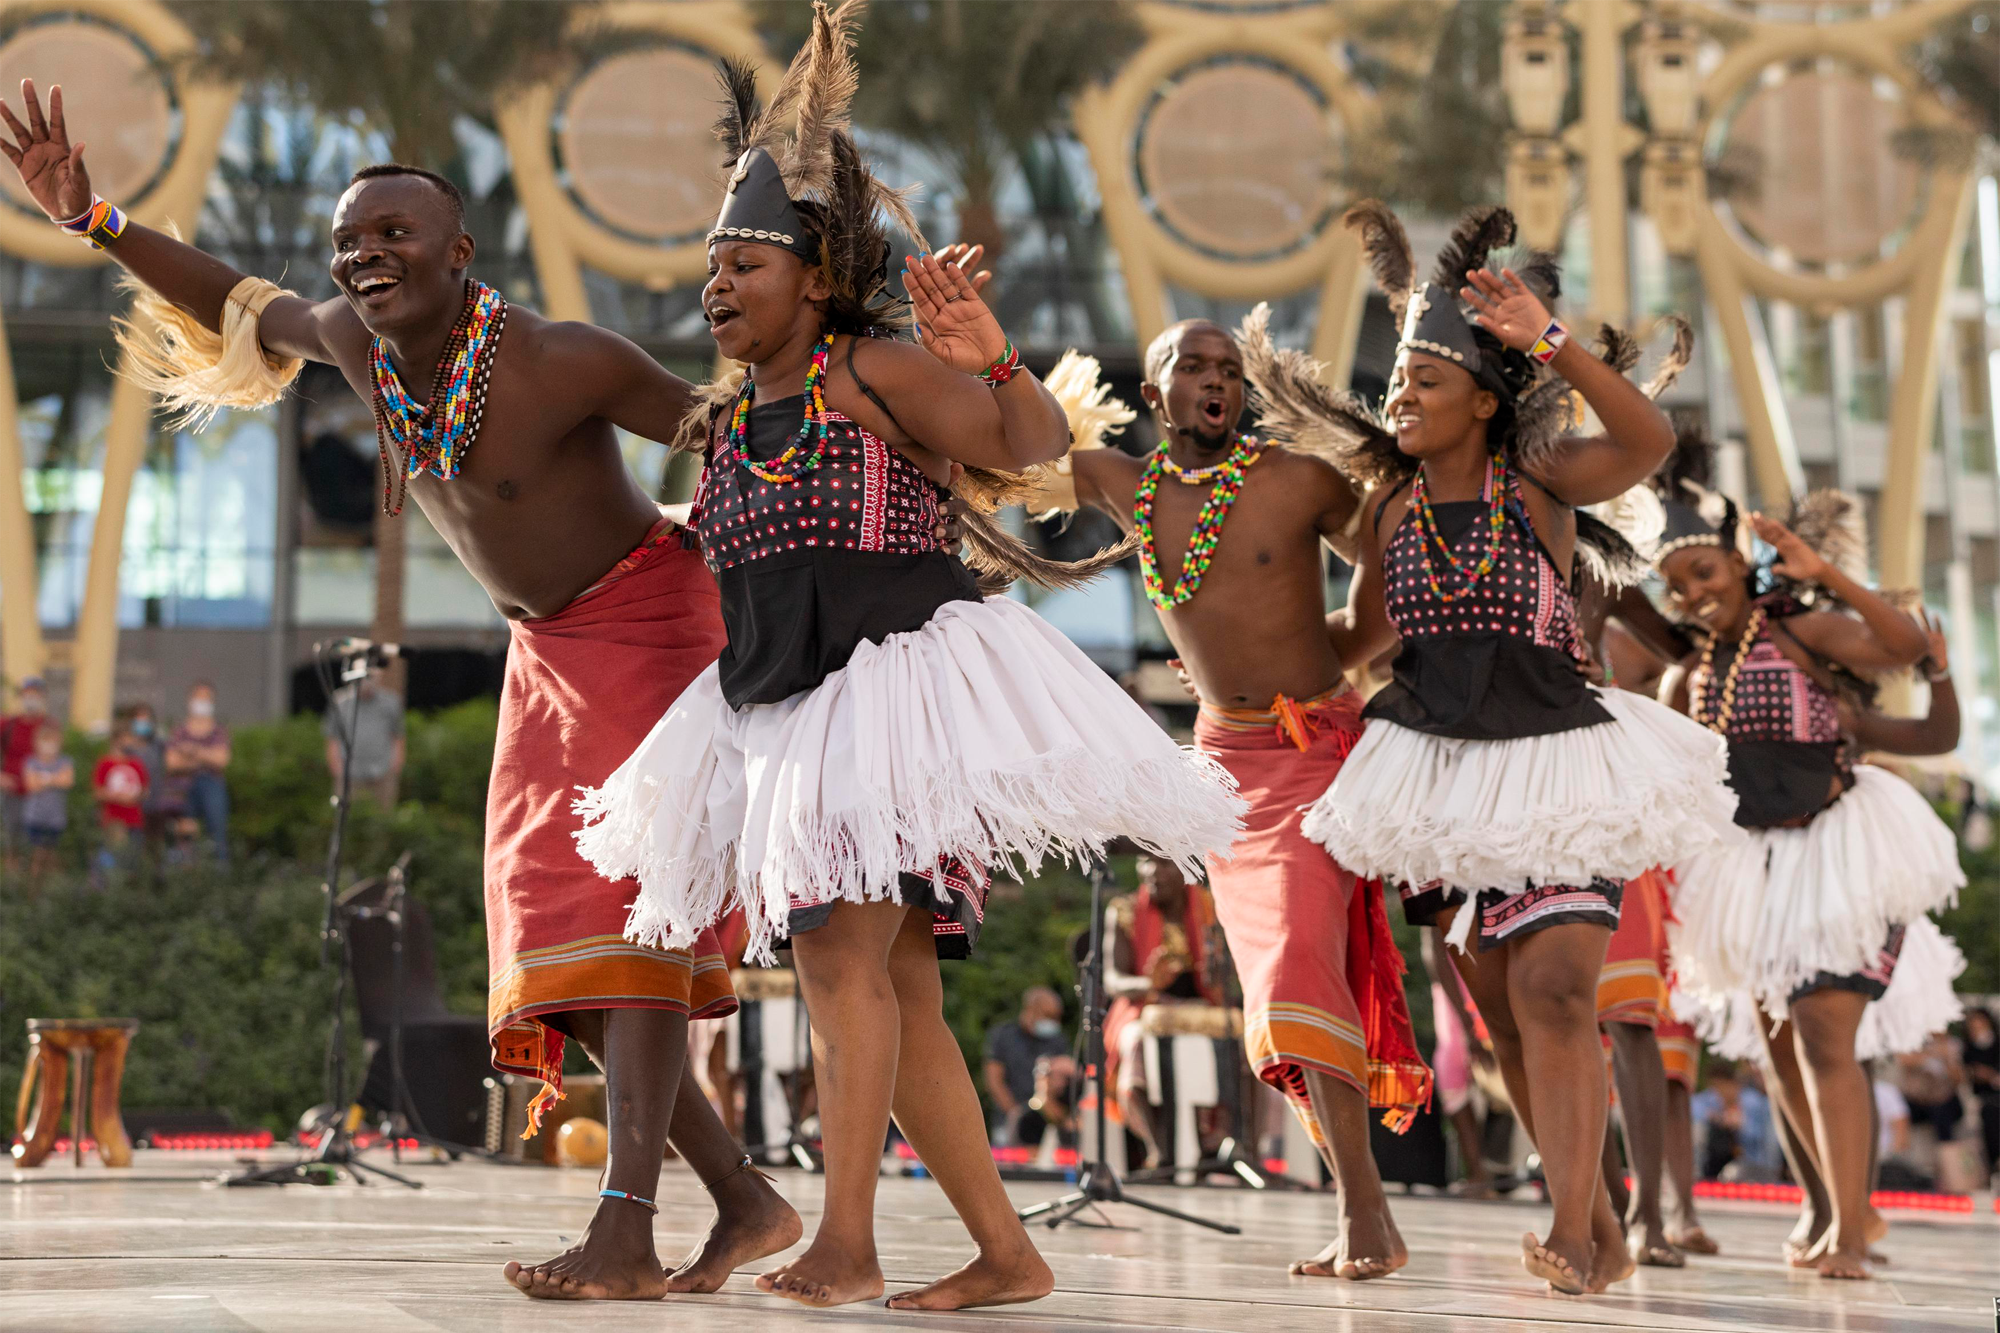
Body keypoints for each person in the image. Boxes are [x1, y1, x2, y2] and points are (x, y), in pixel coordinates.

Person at [0, 76, 798, 1301]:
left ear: (459, 254)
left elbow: (738, 435)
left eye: (392, 235)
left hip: (649, 625)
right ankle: (741, 1198)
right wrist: (94, 220)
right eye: (347, 242)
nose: (362, 256)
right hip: (545, 658)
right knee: (554, 942)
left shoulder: (566, 357)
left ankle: (628, 1231)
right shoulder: (356, 347)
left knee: (632, 933)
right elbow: (235, 300)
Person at [574, 6, 1241, 1311]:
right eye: (709, 268)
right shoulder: (729, 417)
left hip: (897, 689)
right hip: (779, 704)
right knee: (898, 987)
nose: (716, 287)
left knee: (834, 958)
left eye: (744, 265)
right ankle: (1007, 1252)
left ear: (814, 280)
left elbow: (1024, 442)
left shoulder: (869, 373)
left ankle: (849, 1239)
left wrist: (984, 350)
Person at [1297, 202, 1732, 1297]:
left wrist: (1549, 338)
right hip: (1439, 779)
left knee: (1551, 994)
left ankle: (1575, 1231)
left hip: (1555, 763)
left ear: (1484, 403)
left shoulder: (1532, 486)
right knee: (1497, 1008)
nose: (1398, 395)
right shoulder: (1386, 513)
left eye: (1424, 382)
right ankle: (1599, 1218)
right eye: (1394, 380)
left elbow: (1647, 441)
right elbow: (1353, 646)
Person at [1044, 304, 1430, 1281]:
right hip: (1222, 765)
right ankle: (1360, 1209)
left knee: (1302, 957)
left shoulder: (1294, 479)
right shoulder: (1125, 487)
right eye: (1192, 366)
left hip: (1311, 747)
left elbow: (1390, 557)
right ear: (1154, 392)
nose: (1215, 380)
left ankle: (1365, 1211)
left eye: (1228, 367)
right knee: (1279, 983)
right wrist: (986, 356)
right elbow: (1011, 441)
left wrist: (1339, 659)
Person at [1657, 484, 1956, 1280]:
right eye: (1675, 583)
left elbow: (1898, 648)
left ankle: (1850, 1237)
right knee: (1779, 1050)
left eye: (1704, 571)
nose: (1691, 592)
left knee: (1825, 1036)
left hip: (1836, 847)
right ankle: (1835, 1211)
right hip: (1748, 868)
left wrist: (1824, 570)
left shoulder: (1799, 633)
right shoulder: (1687, 674)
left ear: (1737, 563)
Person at [1100, 856, 1226, 1172]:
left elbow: (1228, 972)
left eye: (1164, 862)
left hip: (1202, 1007)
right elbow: (1112, 979)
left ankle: (1221, 1146)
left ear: (1186, 868)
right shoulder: (1123, 909)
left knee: (1244, 1043)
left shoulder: (1210, 907)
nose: (1153, 870)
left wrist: (1219, 973)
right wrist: (1148, 982)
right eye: (1145, 860)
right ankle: (1159, 1151)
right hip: (1142, 1008)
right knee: (1136, 1045)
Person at [983, 987, 1070, 1150]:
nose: (1054, 1021)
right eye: (1048, 1015)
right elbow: (994, 1080)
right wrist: (1014, 1113)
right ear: (1030, 1010)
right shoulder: (1003, 1036)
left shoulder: (1057, 1040)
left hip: (1045, 1121)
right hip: (1009, 1117)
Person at [323, 665, 405, 810]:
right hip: (350, 774)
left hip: (382, 772)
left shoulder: (391, 701)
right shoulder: (340, 702)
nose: (367, 681)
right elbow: (332, 738)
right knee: (348, 818)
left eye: (371, 676)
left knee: (383, 819)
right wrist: (337, 769)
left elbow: (397, 736)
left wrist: (395, 766)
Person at [166, 682, 231, 861]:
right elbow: (172, 763)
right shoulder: (179, 730)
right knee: (184, 833)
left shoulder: (218, 731)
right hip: (183, 787)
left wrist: (192, 751)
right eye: (198, 697)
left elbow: (222, 760)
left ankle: (218, 876)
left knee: (217, 832)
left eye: (206, 698)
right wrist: (205, 757)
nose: (202, 702)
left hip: (212, 784)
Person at [1689, 1060, 1777, 1180]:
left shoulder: (1752, 1101)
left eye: (1723, 1086)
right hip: (1714, 1161)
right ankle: (1697, 1175)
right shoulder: (1710, 1099)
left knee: (1734, 1174)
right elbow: (1694, 1107)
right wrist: (1719, 1118)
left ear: (1733, 1083)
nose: (1720, 1092)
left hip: (1750, 1162)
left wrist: (1742, 1124)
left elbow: (1761, 1139)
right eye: (1716, 1087)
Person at [0, 675, 50, 871]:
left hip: (38, 794)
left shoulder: (48, 725)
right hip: (12, 792)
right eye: (28, 695)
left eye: (36, 695)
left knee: (37, 844)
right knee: (11, 838)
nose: (31, 699)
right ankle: (11, 880)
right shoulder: (8, 725)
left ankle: (32, 886)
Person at [92, 712, 148, 876]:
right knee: (110, 863)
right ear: (117, 739)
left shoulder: (136, 764)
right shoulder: (105, 763)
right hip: (113, 821)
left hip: (134, 821)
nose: (131, 742)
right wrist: (118, 797)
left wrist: (135, 797)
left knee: (131, 864)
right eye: (128, 737)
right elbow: (98, 792)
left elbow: (144, 790)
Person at [19, 722, 73, 884]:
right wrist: (54, 778)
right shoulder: (31, 761)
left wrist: (43, 779)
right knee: (37, 854)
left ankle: (52, 890)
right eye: (45, 740)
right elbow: (31, 785)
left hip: (55, 817)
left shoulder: (65, 761)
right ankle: (33, 891)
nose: (49, 745)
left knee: (51, 855)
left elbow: (67, 781)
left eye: (53, 741)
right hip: (34, 816)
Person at [1960, 1007, 2000, 1188]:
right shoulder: (1967, 1049)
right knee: (1990, 1115)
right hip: (1985, 1099)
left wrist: (1991, 1076)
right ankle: (1995, 1165)